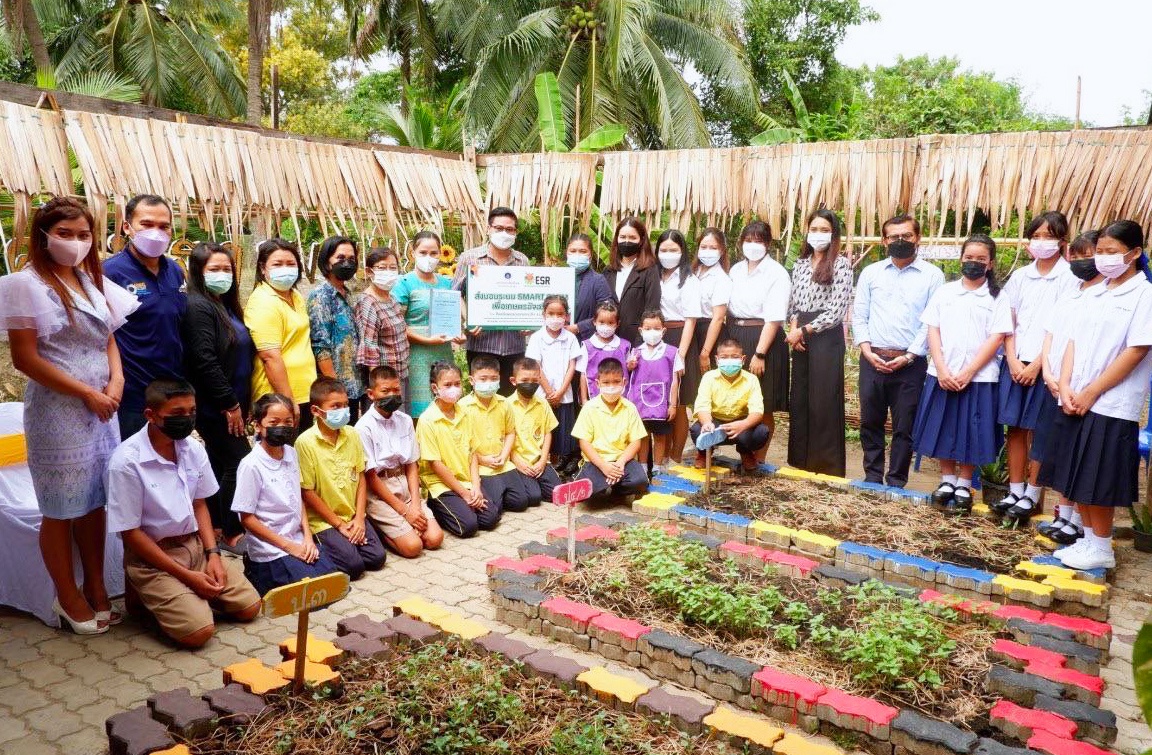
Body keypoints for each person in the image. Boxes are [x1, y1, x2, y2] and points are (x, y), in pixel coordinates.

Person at [0, 197, 138, 633]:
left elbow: (108, 337)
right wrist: (86, 392)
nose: (76, 242)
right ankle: (66, 594)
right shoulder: (26, 284)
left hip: (102, 409)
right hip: (59, 412)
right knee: (60, 508)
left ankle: (97, 586)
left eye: (83, 234)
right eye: (65, 234)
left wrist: (115, 381)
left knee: (94, 502)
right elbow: (25, 359)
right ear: (44, 235)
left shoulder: (89, 279)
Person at [106, 379, 260, 648]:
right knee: (199, 633)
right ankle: (152, 596)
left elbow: (199, 504)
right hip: (153, 557)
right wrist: (187, 578)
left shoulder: (192, 448)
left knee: (250, 607)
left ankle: (187, 596)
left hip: (195, 547)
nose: (187, 419)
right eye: (177, 414)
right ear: (150, 415)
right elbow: (130, 533)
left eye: (192, 412)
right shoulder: (126, 462)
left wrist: (213, 555)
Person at [1041, 221, 1152, 570]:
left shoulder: (1144, 296)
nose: (1103, 259)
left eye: (1111, 253)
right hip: (1075, 397)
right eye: (1099, 252)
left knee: (1099, 476)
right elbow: (1072, 341)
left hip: (1111, 402)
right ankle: (1087, 541)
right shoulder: (1094, 293)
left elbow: (1135, 351)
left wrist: (1091, 391)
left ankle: (1101, 546)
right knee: (1078, 472)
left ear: (1134, 254)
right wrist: (1067, 384)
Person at [913, 235, 1012, 513]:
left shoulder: (998, 297)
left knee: (973, 429)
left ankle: (964, 483)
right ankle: (946, 480)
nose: (974, 263)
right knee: (944, 425)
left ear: (990, 263)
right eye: (969, 258)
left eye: (981, 259)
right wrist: (942, 368)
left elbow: (997, 338)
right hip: (942, 373)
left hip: (980, 378)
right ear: (961, 259)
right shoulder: (945, 292)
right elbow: (932, 329)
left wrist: (968, 371)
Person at [852, 214, 944, 488]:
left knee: (905, 426)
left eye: (906, 236)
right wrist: (867, 351)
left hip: (910, 364)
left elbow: (931, 323)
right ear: (884, 240)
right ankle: (872, 477)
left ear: (917, 238)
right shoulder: (871, 273)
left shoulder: (932, 276)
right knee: (870, 421)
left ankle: (896, 481)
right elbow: (860, 316)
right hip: (872, 359)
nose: (900, 241)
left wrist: (908, 356)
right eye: (893, 236)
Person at [993, 212, 1073, 520]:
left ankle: (1032, 495)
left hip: (1048, 367)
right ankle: (1014, 490)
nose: (1041, 242)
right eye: (1036, 236)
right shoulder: (1020, 276)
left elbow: (1064, 329)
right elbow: (1007, 320)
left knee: (1042, 430)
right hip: (1015, 362)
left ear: (1062, 240)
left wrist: (1039, 365)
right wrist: (1012, 359)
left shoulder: (1069, 278)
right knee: (1014, 428)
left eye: (1048, 236)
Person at [181, 242, 253, 550]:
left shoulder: (222, 303)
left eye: (226, 269)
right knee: (239, 461)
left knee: (219, 462)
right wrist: (230, 403)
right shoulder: (198, 306)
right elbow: (204, 360)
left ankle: (216, 525)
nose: (222, 275)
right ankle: (232, 530)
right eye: (214, 269)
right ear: (198, 272)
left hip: (232, 401)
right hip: (217, 405)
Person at [232, 393, 340, 595]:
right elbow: (246, 518)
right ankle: (256, 572)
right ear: (257, 425)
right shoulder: (250, 465)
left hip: (298, 539)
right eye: (274, 422)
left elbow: (297, 498)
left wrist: (307, 538)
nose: (282, 427)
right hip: (271, 549)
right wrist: (289, 547)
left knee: (334, 583)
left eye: (287, 422)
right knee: (310, 594)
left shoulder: (291, 453)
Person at [1036, 232, 1102, 543]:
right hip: (1056, 386)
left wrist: (1068, 385)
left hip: (1082, 391)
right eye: (1074, 257)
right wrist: (1049, 375)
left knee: (1080, 457)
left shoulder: (1104, 296)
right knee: (1060, 455)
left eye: (1086, 256)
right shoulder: (1069, 293)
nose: (1079, 262)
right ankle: (1063, 514)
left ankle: (1076, 521)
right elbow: (1050, 336)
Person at [103, 194, 186, 438]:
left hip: (171, 391)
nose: (156, 232)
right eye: (147, 224)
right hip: (132, 395)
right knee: (131, 465)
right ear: (127, 227)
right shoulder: (110, 273)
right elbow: (102, 334)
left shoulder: (175, 270)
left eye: (163, 226)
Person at [296, 377, 386, 579]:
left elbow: (361, 476)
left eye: (345, 405)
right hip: (324, 521)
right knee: (354, 567)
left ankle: (349, 540)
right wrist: (338, 525)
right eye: (335, 406)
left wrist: (360, 518)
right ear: (315, 411)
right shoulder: (305, 443)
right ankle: (322, 550)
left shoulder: (352, 434)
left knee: (376, 558)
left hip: (352, 515)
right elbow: (307, 492)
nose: (343, 410)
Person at [785, 210, 853, 477]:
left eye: (824, 229)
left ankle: (826, 466)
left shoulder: (841, 265)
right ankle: (799, 461)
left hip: (825, 335)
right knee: (800, 397)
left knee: (824, 399)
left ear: (834, 234)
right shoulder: (801, 264)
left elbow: (836, 311)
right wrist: (794, 330)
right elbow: (793, 304)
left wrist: (804, 330)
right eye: (814, 228)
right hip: (800, 335)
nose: (818, 234)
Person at [355, 366, 443, 558]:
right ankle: (384, 531)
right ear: (371, 394)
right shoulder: (363, 428)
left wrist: (416, 506)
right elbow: (370, 476)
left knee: (435, 539)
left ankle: (406, 529)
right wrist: (405, 512)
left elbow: (411, 465)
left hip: (405, 482)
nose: (392, 395)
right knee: (413, 548)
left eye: (396, 390)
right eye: (385, 391)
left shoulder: (404, 420)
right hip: (380, 490)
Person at [726, 221, 791, 460]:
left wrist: (760, 353)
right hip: (735, 335)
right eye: (748, 240)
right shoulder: (735, 270)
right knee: (739, 400)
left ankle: (758, 458)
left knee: (762, 403)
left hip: (764, 339)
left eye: (759, 241)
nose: (753, 245)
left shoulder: (777, 273)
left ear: (768, 244)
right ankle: (744, 456)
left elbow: (773, 319)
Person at [453, 207, 530, 393]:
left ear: (516, 232)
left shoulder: (522, 261)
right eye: (499, 228)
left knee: (511, 402)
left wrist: (529, 323)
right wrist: (469, 319)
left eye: (510, 229)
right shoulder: (470, 258)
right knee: (482, 398)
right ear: (488, 229)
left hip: (514, 346)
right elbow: (455, 295)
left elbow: (529, 297)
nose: (504, 233)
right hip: (482, 345)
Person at [416, 360, 497, 537]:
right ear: (435, 388)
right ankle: (437, 508)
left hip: (466, 480)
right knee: (468, 527)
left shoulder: (465, 413)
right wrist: (464, 494)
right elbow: (435, 464)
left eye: (457, 384)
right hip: (440, 485)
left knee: (490, 518)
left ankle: (461, 504)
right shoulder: (427, 420)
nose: (454, 388)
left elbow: (473, 453)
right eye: (447, 384)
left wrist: (475, 486)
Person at [244, 239, 317, 432]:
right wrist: (288, 400)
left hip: (304, 391)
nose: (285, 269)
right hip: (279, 398)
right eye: (277, 264)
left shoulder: (295, 296)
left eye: (291, 264)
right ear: (263, 268)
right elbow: (270, 356)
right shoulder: (263, 302)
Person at [393, 231, 463, 417]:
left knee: (444, 405)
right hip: (416, 355)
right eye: (423, 252)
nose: (429, 258)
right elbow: (397, 325)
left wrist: (460, 333)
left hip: (443, 352)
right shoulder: (404, 283)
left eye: (434, 253)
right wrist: (426, 340)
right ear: (413, 253)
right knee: (419, 410)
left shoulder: (448, 283)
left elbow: (455, 317)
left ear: (440, 254)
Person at [459, 355, 530, 513]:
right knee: (494, 508)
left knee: (521, 502)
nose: (488, 383)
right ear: (471, 380)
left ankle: (500, 491)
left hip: (503, 463)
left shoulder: (504, 403)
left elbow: (511, 433)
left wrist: (504, 455)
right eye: (483, 379)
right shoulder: (462, 407)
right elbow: (462, 444)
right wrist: (482, 459)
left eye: (493, 379)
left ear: (499, 379)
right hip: (480, 466)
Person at [572, 357, 649, 498]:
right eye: (606, 382)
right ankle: (600, 482)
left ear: (624, 382)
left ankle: (616, 488)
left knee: (640, 482)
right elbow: (584, 442)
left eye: (616, 382)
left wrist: (620, 463)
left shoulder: (630, 408)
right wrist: (603, 465)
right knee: (591, 491)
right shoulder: (589, 408)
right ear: (597, 383)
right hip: (596, 461)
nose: (611, 386)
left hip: (622, 460)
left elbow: (636, 442)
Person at [655, 229, 700, 465]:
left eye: (673, 250)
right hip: (656, 337)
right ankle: (661, 455)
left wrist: (680, 355)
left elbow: (691, 319)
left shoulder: (689, 280)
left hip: (681, 337)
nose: (668, 254)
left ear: (682, 252)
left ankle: (676, 456)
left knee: (680, 401)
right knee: (662, 399)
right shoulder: (653, 275)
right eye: (664, 250)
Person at [691, 339, 771, 472]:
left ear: (743, 359)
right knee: (697, 430)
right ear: (717, 360)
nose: (729, 360)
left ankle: (745, 451)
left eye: (734, 357)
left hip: (741, 423)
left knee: (761, 432)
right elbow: (702, 406)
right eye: (724, 357)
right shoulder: (709, 377)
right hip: (715, 423)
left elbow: (757, 411)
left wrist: (743, 425)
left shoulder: (751, 379)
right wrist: (706, 423)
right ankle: (704, 452)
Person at [309, 236, 364, 421]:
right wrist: (335, 389)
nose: (346, 263)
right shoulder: (321, 297)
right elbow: (320, 347)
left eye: (351, 259)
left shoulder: (348, 294)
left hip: (355, 386)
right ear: (326, 261)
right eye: (340, 258)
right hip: (336, 391)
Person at [525, 295, 580, 475]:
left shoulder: (571, 338)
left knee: (563, 433)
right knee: (544, 430)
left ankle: (560, 469)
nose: (556, 318)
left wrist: (561, 391)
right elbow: (536, 367)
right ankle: (545, 465)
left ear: (566, 316)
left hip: (565, 395)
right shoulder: (536, 338)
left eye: (560, 314)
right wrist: (550, 392)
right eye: (551, 313)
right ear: (544, 314)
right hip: (542, 395)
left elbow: (572, 366)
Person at [626, 310, 683, 475]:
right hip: (639, 405)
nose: (652, 332)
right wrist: (630, 366)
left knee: (660, 436)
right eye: (648, 328)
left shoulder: (672, 352)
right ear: (641, 330)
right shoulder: (636, 352)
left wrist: (673, 405)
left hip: (661, 404)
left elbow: (675, 382)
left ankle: (657, 467)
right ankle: (643, 467)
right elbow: (629, 377)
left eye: (656, 328)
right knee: (642, 436)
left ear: (663, 330)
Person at [355, 247, 410, 410]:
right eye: (382, 267)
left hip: (400, 375)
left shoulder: (391, 298)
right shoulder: (367, 302)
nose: (388, 272)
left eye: (393, 268)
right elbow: (369, 347)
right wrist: (379, 389)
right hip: (384, 385)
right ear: (369, 271)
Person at [507, 357, 563, 504]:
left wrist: (544, 459)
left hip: (539, 460)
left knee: (558, 494)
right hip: (518, 463)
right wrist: (517, 461)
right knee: (533, 497)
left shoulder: (543, 403)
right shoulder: (506, 405)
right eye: (525, 380)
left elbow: (547, 432)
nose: (530, 384)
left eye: (534, 381)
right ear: (514, 381)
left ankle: (539, 483)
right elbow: (503, 438)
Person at [602, 217, 661, 345]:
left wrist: (640, 345)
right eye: (622, 237)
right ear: (616, 239)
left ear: (641, 240)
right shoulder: (608, 271)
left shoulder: (650, 270)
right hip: (608, 340)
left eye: (632, 237)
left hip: (636, 340)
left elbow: (652, 309)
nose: (627, 241)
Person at [691, 228, 732, 378]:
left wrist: (705, 352)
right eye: (703, 247)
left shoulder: (722, 279)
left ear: (721, 251)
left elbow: (718, 318)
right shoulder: (693, 272)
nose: (707, 251)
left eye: (713, 248)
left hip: (710, 333)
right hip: (691, 329)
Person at [564, 233, 616, 341]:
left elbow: (608, 312)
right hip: (558, 340)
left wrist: (579, 327)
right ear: (566, 253)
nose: (577, 255)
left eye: (582, 251)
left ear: (590, 255)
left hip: (586, 342)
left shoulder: (598, 281)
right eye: (573, 251)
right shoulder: (557, 278)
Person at [578, 301, 632, 402]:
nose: (606, 326)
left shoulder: (625, 346)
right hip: (596, 399)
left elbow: (627, 368)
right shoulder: (587, 346)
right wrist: (584, 399)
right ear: (594, 321)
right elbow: (583, 374)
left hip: (621, 398)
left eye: (610, 322)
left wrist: (631, 365)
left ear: (617, 324)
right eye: (602, 322)